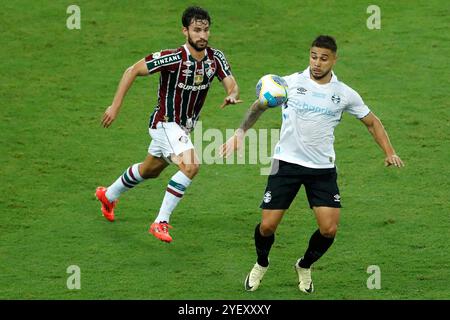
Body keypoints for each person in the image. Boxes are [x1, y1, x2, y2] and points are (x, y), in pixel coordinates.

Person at [220, 35, 404, 293]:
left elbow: (372, 121)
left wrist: (389, 151)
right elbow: (259, 106)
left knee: (328, 229)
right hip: (286, 164)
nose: (317, 63)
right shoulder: (289, 84)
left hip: (322, 170)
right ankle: (262, 263)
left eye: (324, 58)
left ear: (334, 60)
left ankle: (304, 265)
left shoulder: (344, 94)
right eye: (313, 56)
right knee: (267, 226)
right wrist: (240, 133)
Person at [95, 6, 241, 243]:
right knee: (191, 166)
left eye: (205, 30)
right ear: (185, 31)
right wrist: (115, 106)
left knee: (149, 170)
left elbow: (231, 83)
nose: (202, 35)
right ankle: (160, 221)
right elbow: (131, 70)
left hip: (183, 128)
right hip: (165, 123)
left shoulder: (216, 58)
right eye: (196, 30)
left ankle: (108, 195)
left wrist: (232, 94)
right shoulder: (172, 58)